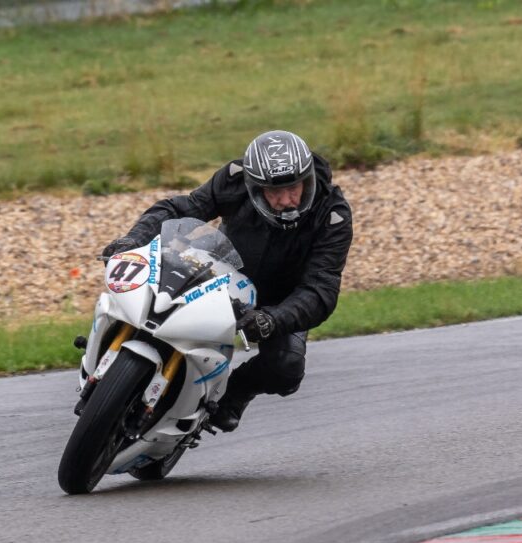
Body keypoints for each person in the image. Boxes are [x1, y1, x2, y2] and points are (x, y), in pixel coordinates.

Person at [102, 130, 353, 432]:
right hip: (221, 269)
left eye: (293, 188)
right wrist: (134, 239)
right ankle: (110, 355)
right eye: (274, 192)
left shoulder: (333, 215)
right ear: (255, 187)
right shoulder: (236, 178)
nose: (286, 200)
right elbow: (181, 208)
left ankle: (233, 394)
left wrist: (272, 319)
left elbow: (321, 289)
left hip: (280, 299)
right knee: (157, 301)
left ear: (307, 180)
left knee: (287, 369)